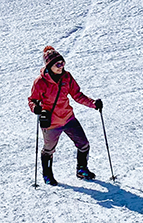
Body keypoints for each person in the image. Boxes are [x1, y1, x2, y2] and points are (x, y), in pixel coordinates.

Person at [27, 46, 103, 185]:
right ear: (50, 65)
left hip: (68, 118)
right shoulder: (40, 82)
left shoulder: (66, 77)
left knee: (84, 144)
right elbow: (32, 100)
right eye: (58, 64)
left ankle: (82, 169)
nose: (61, 66)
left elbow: (77, 95)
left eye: (62, 63)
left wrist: (93, 104)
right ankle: (47, 175)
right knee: (49, 150)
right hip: (51, 122)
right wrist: (36, 108)